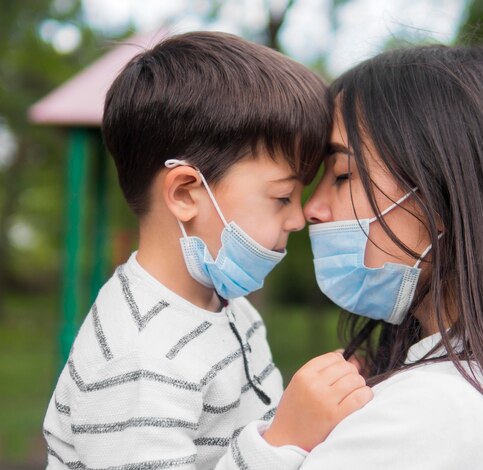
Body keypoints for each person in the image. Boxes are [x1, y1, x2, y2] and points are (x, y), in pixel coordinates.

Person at [240, 45, 483, 469]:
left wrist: (277, 445)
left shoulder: (428, 413)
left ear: (441, 198)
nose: (312, 209)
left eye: (344, 174)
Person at [42, 32, 372, 469]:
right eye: (281, 197)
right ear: (185, 193)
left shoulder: (226, 305)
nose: (299, 217)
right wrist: (281, 440)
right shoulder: (140, 359)